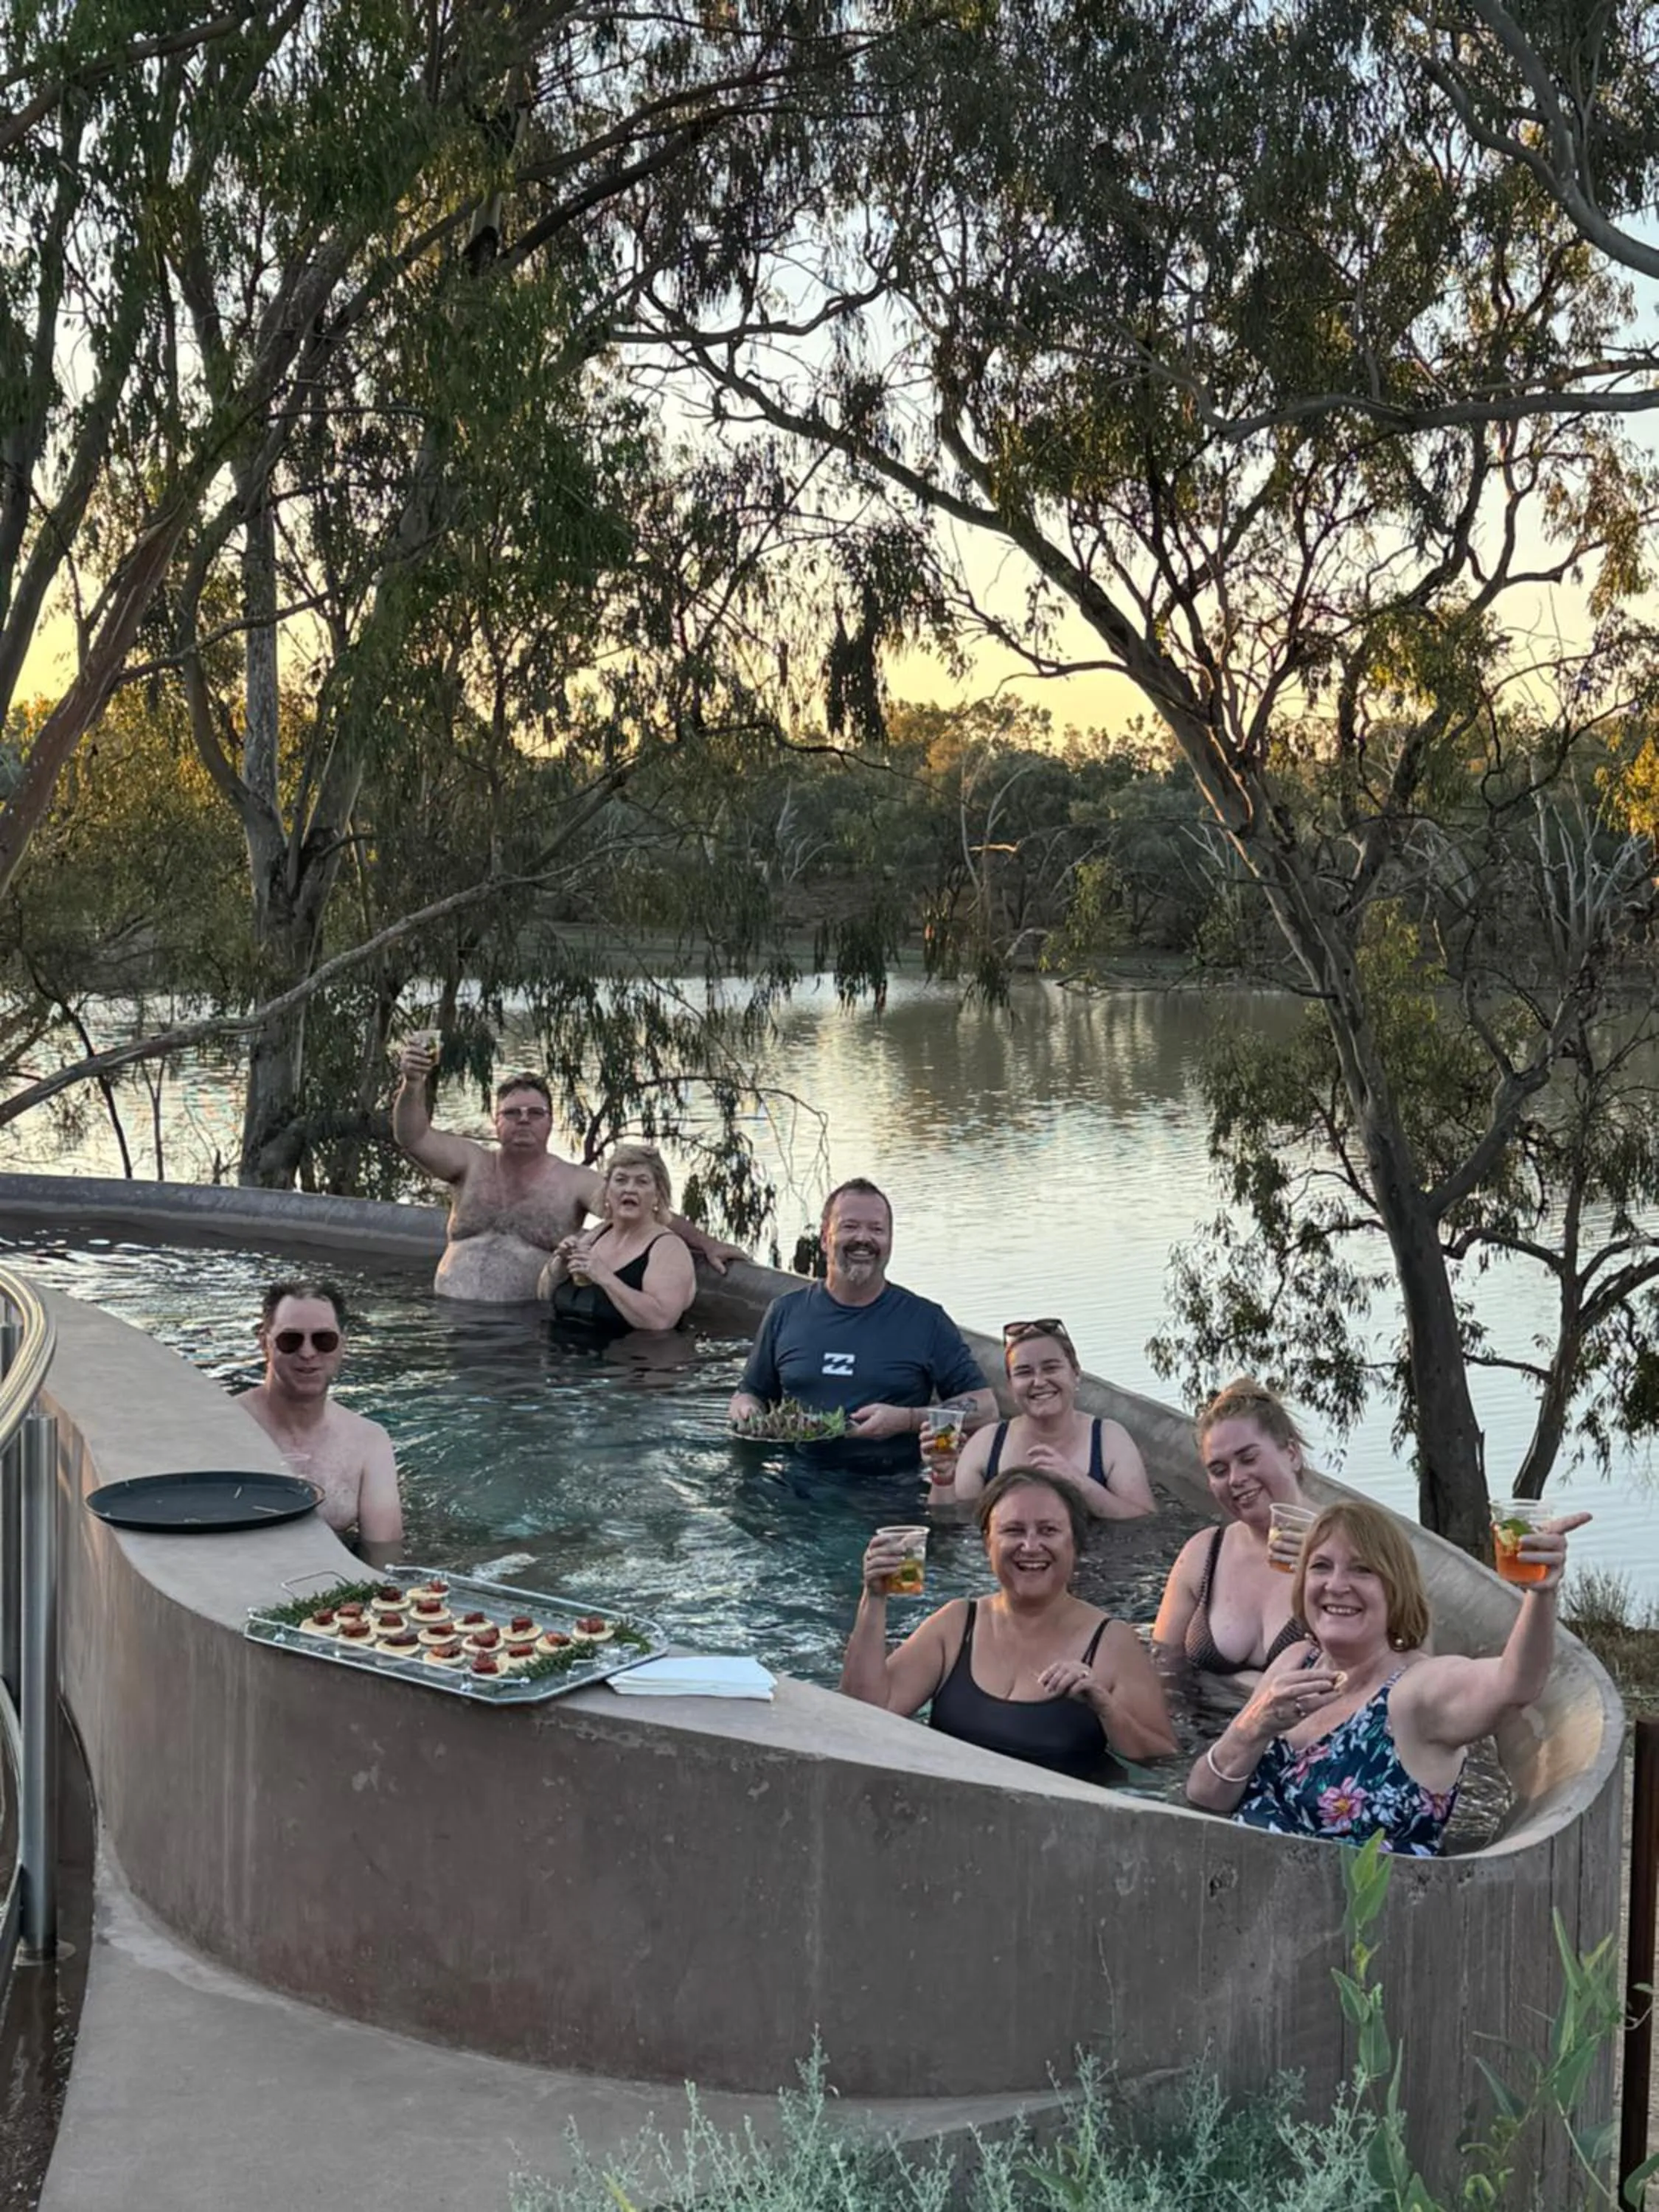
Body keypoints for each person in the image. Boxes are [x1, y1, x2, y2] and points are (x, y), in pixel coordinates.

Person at [1185, 1498, 1590, 1855]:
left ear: (1395, 1590)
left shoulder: (1414, 1692)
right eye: (1321, 1567)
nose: (1336, 1585)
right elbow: (1205, 1797)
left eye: (1362, 1571)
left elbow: (1514, 1684)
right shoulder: (1296, 1661)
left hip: (1360, 1927)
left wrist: (1541, 1592)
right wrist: (1253, 1728)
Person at [841, 1469, 1177, 1782]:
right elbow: (865, 1715)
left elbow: (1161, 1758)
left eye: (1049, 1530)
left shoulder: (1111, 1642)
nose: (1030, 1546)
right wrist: (874, 1599)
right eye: (1013, 1530)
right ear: (988, 1543)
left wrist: (1105, 1707)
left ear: (1074, 1544)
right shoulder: (957, 1624)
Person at [392, 1045, 745, 1301]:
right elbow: (413, 1136)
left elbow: (642, 1208)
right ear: (495, 1122)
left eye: (535, 1113)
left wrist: (707, 1244)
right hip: (446, 1320)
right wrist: (413, 1083)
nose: (524, 1120)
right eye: (512, 1113)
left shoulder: (573, 1182)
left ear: (550, 1122)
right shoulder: (471, 1163)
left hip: (522, 1330)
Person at [726, 1178, 995, 1462]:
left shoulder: (925, 1321)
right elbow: (750, 1394)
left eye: (876, 1229)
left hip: (890, 1490)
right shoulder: (785, 1312)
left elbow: (987, 1409)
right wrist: (748, 1414)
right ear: (824, 1238)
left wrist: (907, 1420)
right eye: (849, 1226)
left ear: (890, 1242)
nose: (863, 1238)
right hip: (796, 1486)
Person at [1152, 1378, 1312, 1680]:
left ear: (1291, 1454)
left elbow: (1398, 1669)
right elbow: (1163, 1672)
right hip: (1210, 1725)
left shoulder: (1353, 1544)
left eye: (1248, 1459)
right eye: (1219, 1470)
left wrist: (1327, 1569)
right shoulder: (1202, 1554)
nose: (1236, 1479)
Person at [237, 1281, 403, 1566]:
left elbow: (384, 1558)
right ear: (265, 1343)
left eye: (323, 1340)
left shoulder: (369, 1441)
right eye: (291, 1340)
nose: (308, 1353)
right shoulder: (228, 1427)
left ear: (343, 1344)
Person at [947, 1318, 1156, 1520]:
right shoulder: (986, 1444)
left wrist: (1078, 1483)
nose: (1038, 1382)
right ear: (1011, 1386)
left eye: (1051, 1368)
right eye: (1024, 1372)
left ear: (1075, 1373)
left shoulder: (1109, 1439)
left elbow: (1144, 1521)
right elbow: (955, 1524)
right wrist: (942, 1475)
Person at [537, 1142, 696, 1337]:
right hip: (566, 1360)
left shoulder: (669, 1249)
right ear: (607, 1192)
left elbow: (661, 1321)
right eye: (621, 1180)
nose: (630, 1189)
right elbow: (543, 1295)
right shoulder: (596, 1235)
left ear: (657, 1196)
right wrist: (559, 1265)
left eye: (642, 1182)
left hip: (631, 1362)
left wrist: (603, 1276)